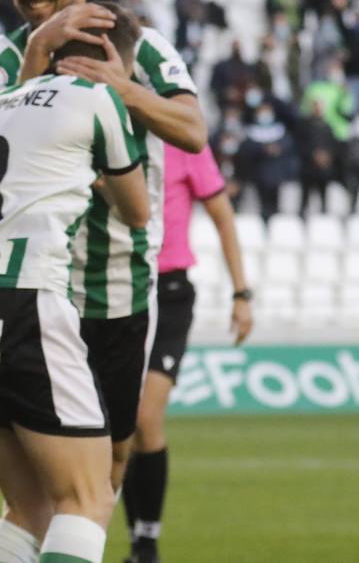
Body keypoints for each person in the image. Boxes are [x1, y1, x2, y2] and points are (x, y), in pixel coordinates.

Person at [0, 0, 207, 504]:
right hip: (35, 286)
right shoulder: (0, 57)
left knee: (114, 456)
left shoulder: (144, 45)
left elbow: (194, 131)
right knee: (45, 471)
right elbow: (2, 125)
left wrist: (122, 88)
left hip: (119, 287)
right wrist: (38, 54)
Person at [0, 14, 149, 563]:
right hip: (25, 297)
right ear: (111, 59)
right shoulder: (97, 98)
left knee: (29, 507)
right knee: (87, 497)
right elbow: (138, 211)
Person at [122, 144, 254, 563]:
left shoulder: (182, 141)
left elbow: (222, 217)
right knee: (120, 424)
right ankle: (136, 542)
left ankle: (148, 542)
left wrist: (241, 293)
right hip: (118, 288)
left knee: (145, 416)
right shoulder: (109, 129)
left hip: (170, 290)